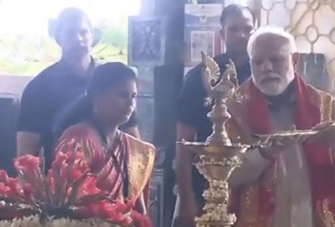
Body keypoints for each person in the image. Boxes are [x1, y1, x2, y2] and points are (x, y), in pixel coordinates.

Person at [226, 26, 335, 227]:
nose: (266, 68)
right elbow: (223, 178)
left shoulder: (325, 106)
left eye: (275, 59)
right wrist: (263, 154)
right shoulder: (234, 110)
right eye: (258, 62)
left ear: (295, 60)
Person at [16, 7, 139, 170]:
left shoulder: (113, 79)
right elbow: (26, 152)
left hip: (114, 180)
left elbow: (132, 136)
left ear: (92, 36)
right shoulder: (39, 87)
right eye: (70, 33)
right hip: (61, 185)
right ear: (59, 38)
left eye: (84, 32)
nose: (78, 38)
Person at [174, 4, 256, 226]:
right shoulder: (201, 76)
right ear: (222, 34)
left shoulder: (262, 77)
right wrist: (186, 197)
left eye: (248, 29)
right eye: (234, 29)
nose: (242, 35)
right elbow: (183, 143)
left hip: (251, 187)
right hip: (203, 185)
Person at [53, 62, 155, 213]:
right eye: (122, 95)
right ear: (97, 96)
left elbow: (139, 208)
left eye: (133, 96)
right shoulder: (78, 138)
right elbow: (68, 203)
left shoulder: (134, 147)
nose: (130, 103)